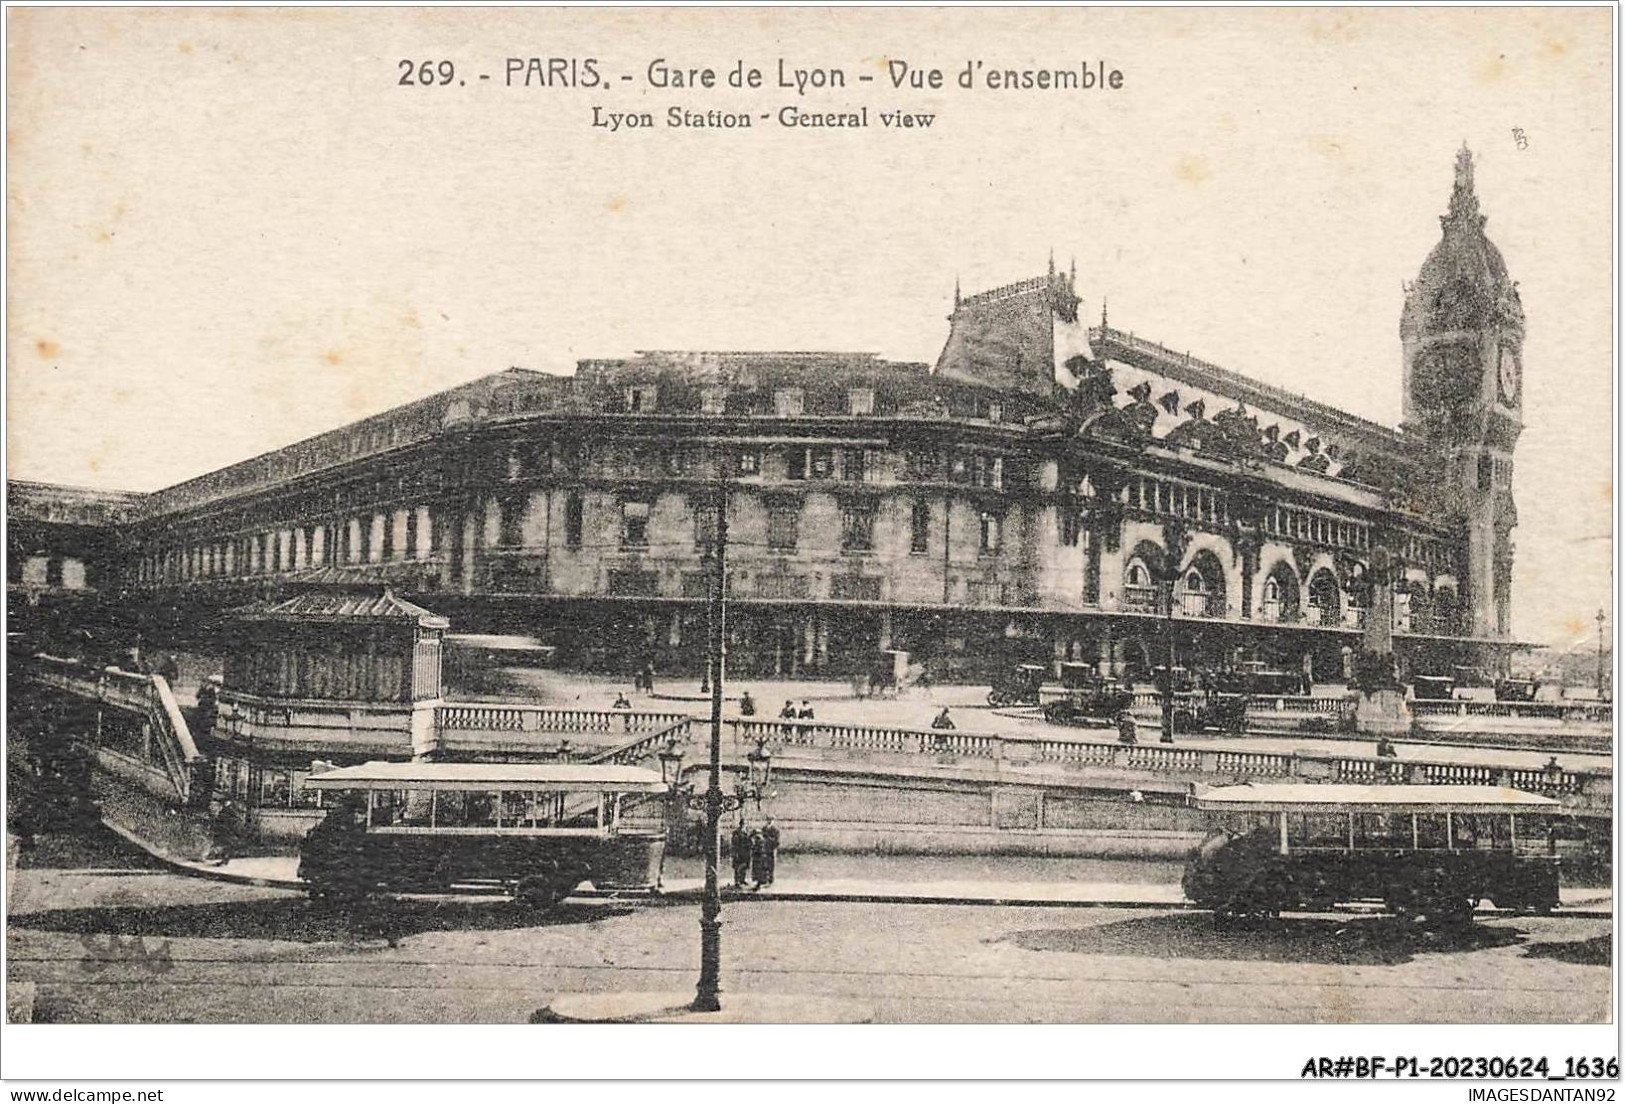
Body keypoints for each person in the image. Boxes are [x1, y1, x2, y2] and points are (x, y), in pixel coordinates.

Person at [758, 817, 780, 887]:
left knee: (771, 865)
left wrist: (770, 840)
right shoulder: (764, 828)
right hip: (765, 849)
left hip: (772, 850)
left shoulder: (776, 830)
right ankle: (764, 879)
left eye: (771, 820)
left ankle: (771, 879)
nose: (769, 821)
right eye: (768, 820)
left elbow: (777, 841)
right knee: (764, 864)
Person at [730, 821, 751, 888]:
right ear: (740, 824)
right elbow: (734, 843)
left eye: (745, 824)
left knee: (744, 866)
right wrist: (735, 853)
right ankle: (737, 882)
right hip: (738, 852)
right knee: (737, 867)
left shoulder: (746, 832)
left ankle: (742, 880)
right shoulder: (736, 832)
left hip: (745, 852)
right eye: (743, 824)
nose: (744, 825)